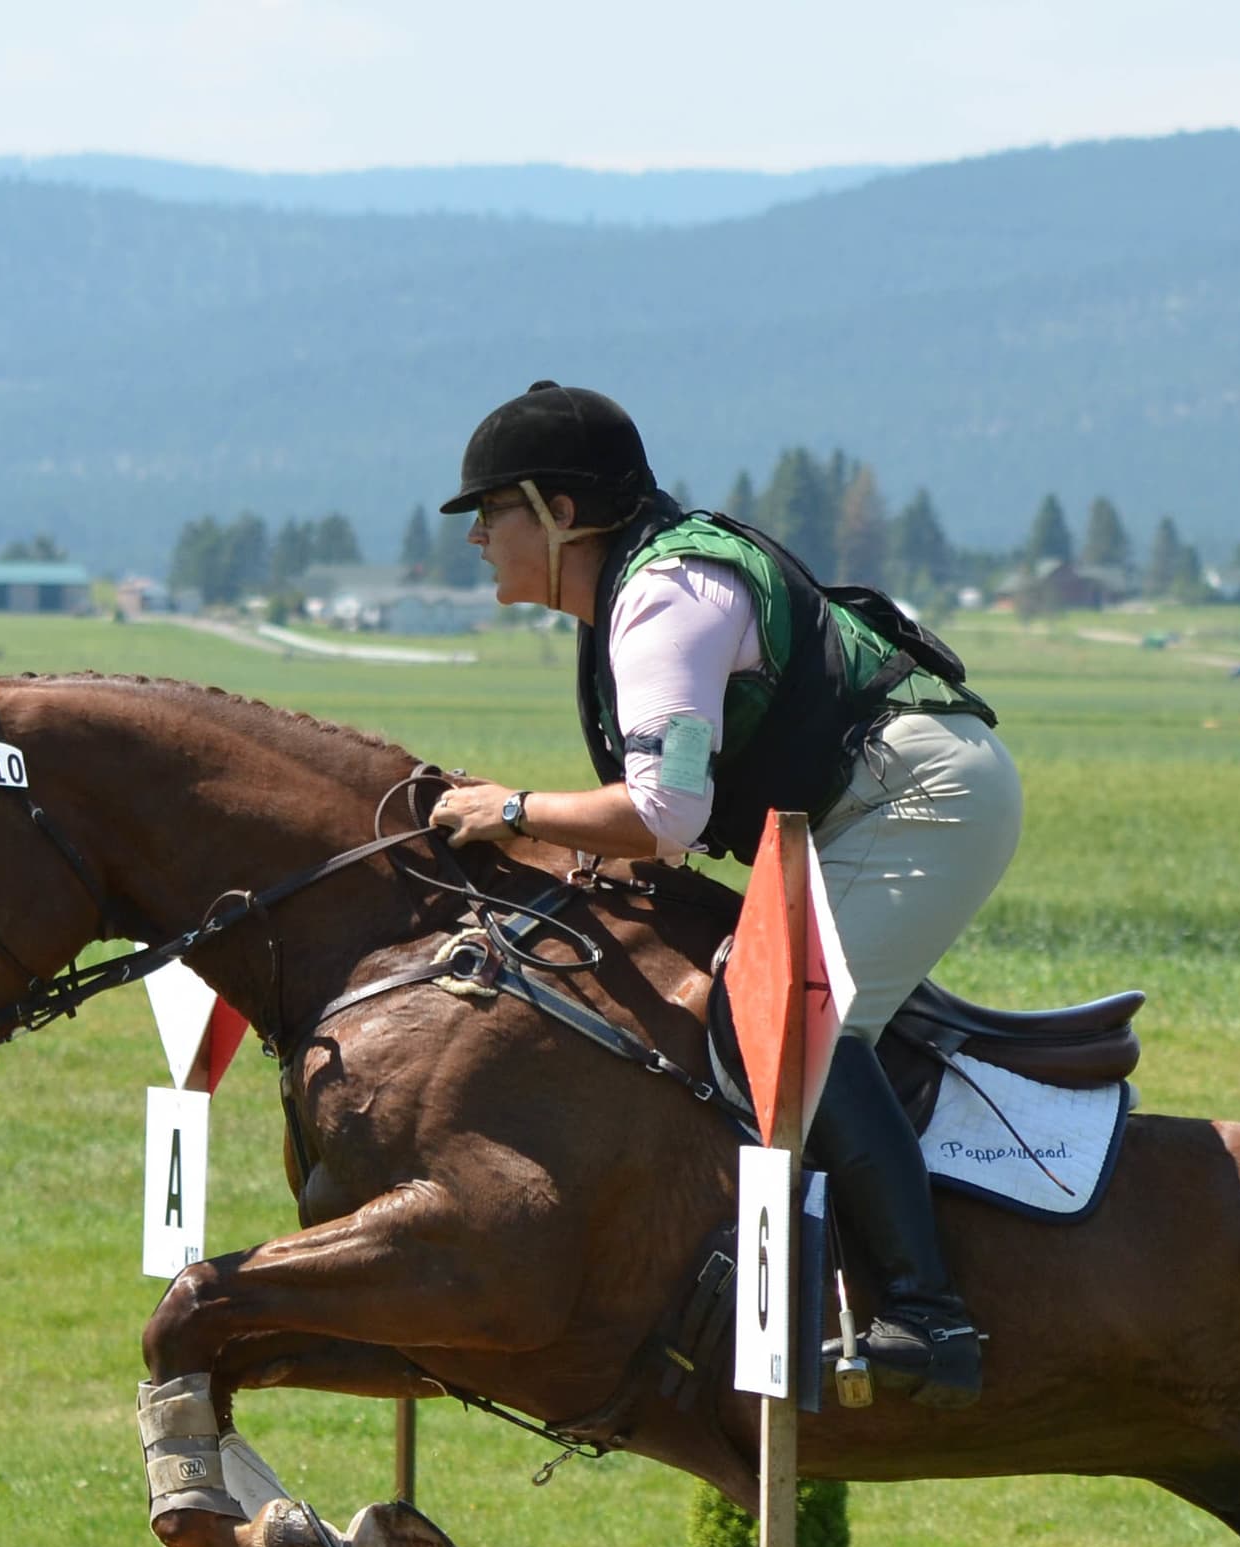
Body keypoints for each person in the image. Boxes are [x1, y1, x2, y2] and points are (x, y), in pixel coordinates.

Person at [428, 382, 1018, 1408]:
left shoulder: (664, 598)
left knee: (779, 1018)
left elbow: (664, 814)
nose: (477, 536)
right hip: (869, 800)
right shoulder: (636, 590)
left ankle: (930, 1317)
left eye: (492, 511)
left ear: (561, 513)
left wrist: (514, 811)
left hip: (923, 799)